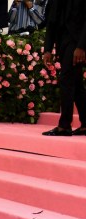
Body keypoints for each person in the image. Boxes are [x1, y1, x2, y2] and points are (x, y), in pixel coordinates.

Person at [41, 0, 86, 136]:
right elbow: (51, 20)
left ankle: (64, 125)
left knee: (66, 79)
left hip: (78, 41)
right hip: (63, 41)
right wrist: (48, 49)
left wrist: (82, 46)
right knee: (76, 83)